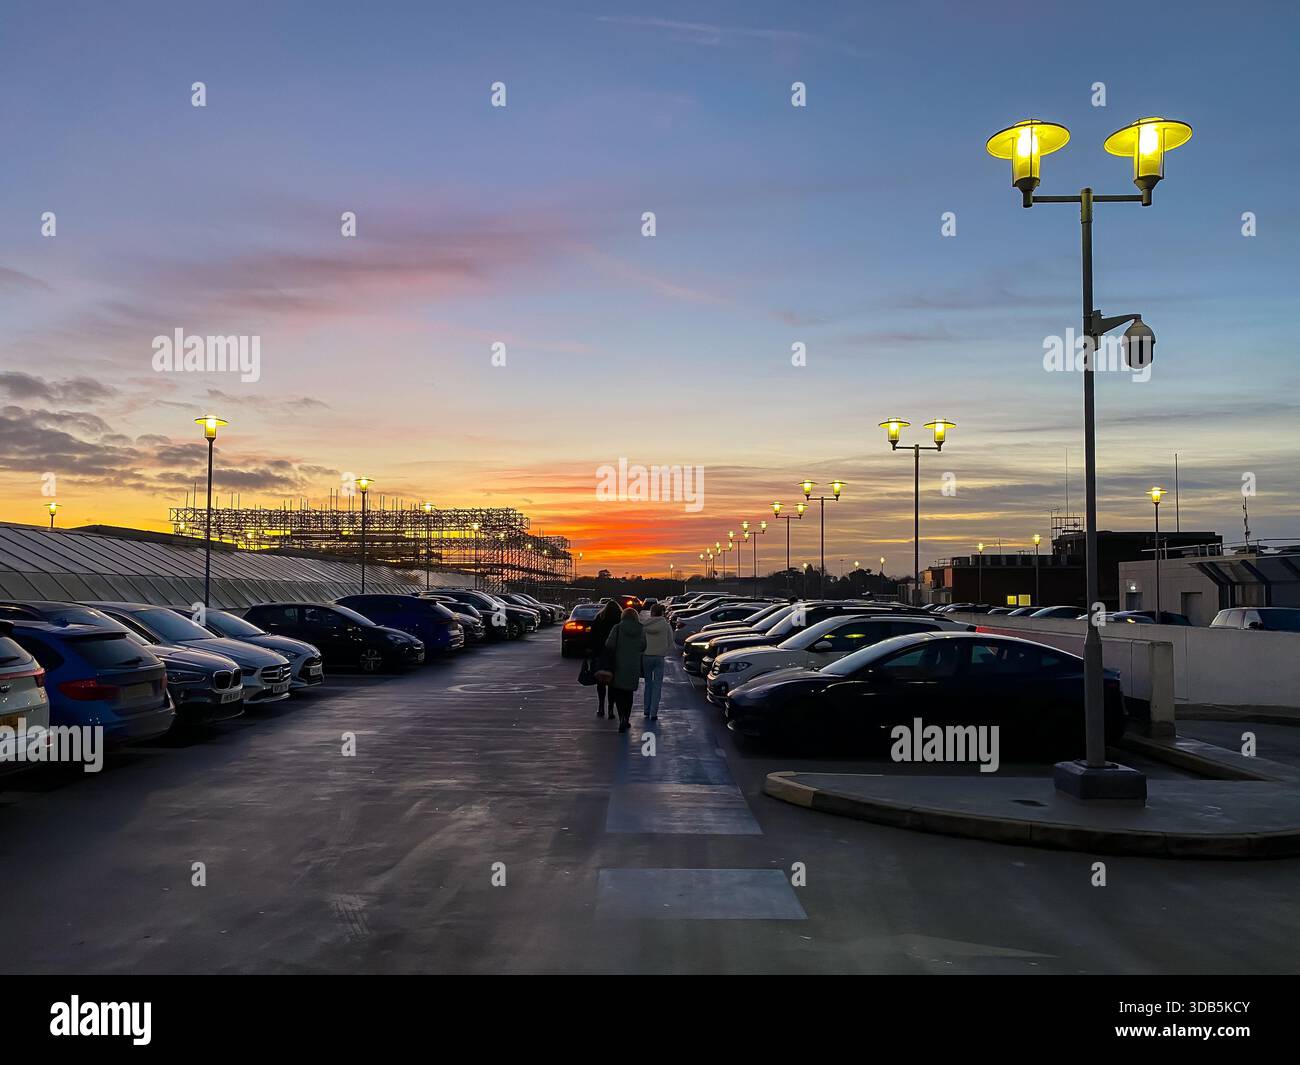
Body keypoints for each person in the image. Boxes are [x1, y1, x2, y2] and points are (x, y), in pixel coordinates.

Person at [603, 607, 647, 733]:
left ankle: (621, 716)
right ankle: (626, 718)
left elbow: (609, 645)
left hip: (618, 664)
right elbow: (643, 646)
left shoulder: (617, 628)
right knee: (629, 694)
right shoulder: (641, 629)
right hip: (633, 665)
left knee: (619, 694)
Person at [587, 599, 622, 718]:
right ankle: (611, 708)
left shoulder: (599, 619)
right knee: (612, 683)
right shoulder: (619, 620)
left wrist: (591, 652)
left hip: (600, 653)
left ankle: (601, 707)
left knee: (601, 681)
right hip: (615, 654)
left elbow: (592, 637)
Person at [640, 602, 672, 721]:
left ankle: (646, 709)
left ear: (652, 612)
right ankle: (654, 712)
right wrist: (663, 650)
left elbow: (641, 640)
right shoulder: (665, 625)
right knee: (657, 685)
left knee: (648, 684)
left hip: (646, 656)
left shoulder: (644, 625)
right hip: (659, 657)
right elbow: (670, 640)